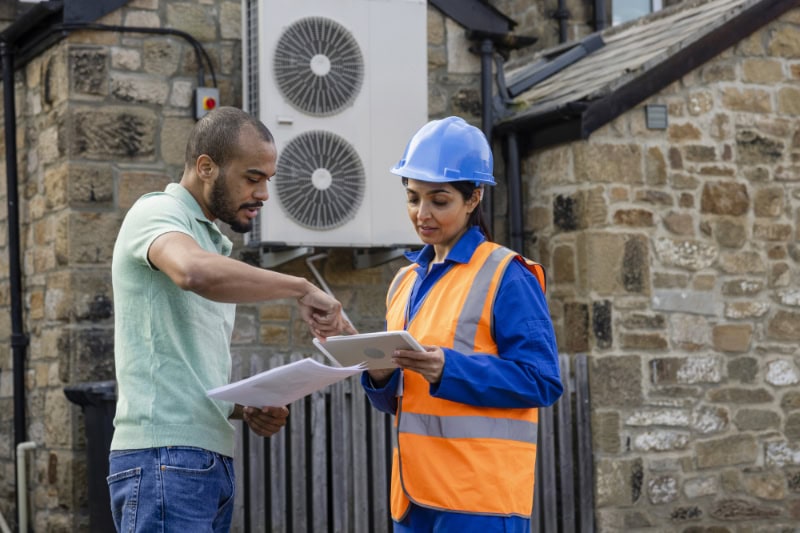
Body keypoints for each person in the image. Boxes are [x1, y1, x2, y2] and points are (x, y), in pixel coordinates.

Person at [107, 106, 353, 532]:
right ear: (206, 167)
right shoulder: (157, 212)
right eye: (252, 177)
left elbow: (178, 364)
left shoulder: (210, 241)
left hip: (203, 460)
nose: (263, 194)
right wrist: (299, 287)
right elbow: (191, 272)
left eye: (267, 181)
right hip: (164, 458)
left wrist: (242, 408)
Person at [361, 116, 563, 532]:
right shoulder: (404, 283)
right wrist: (380, 378)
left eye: (439, 200)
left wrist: (448, 368)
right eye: (413, 198)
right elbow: (400, 404)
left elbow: (542, 381)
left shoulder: (508, 274)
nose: (422, 214)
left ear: (474, 199)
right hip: (414, 500)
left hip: (479, 502)